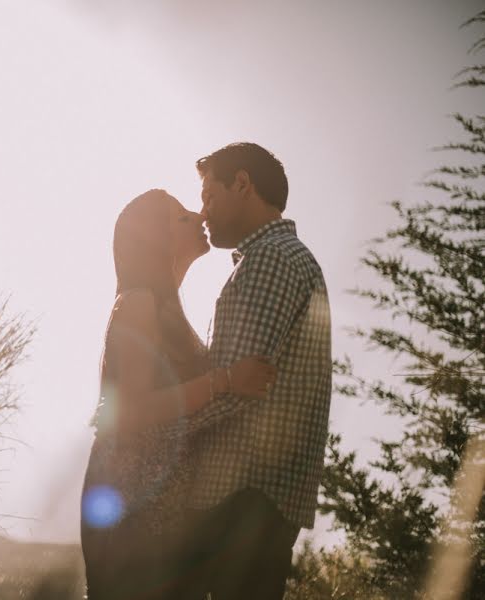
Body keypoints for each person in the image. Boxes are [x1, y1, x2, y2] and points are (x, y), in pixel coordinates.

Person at [79, 188, 277, 600]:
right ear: (156, 238)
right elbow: (130, 412)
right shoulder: (137, 303)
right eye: (182, 215)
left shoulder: (169, 310)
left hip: (161, 508)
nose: (199, 213)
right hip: (130, 508)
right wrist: (224, 381)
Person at [172, 142, 333, 599]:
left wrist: (150, 428)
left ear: (242, 184)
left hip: (239, 498)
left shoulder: (269, 260)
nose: (203, 213)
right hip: (258, 501)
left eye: (208, 196)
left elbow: (235, 389)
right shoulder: (285, 257)